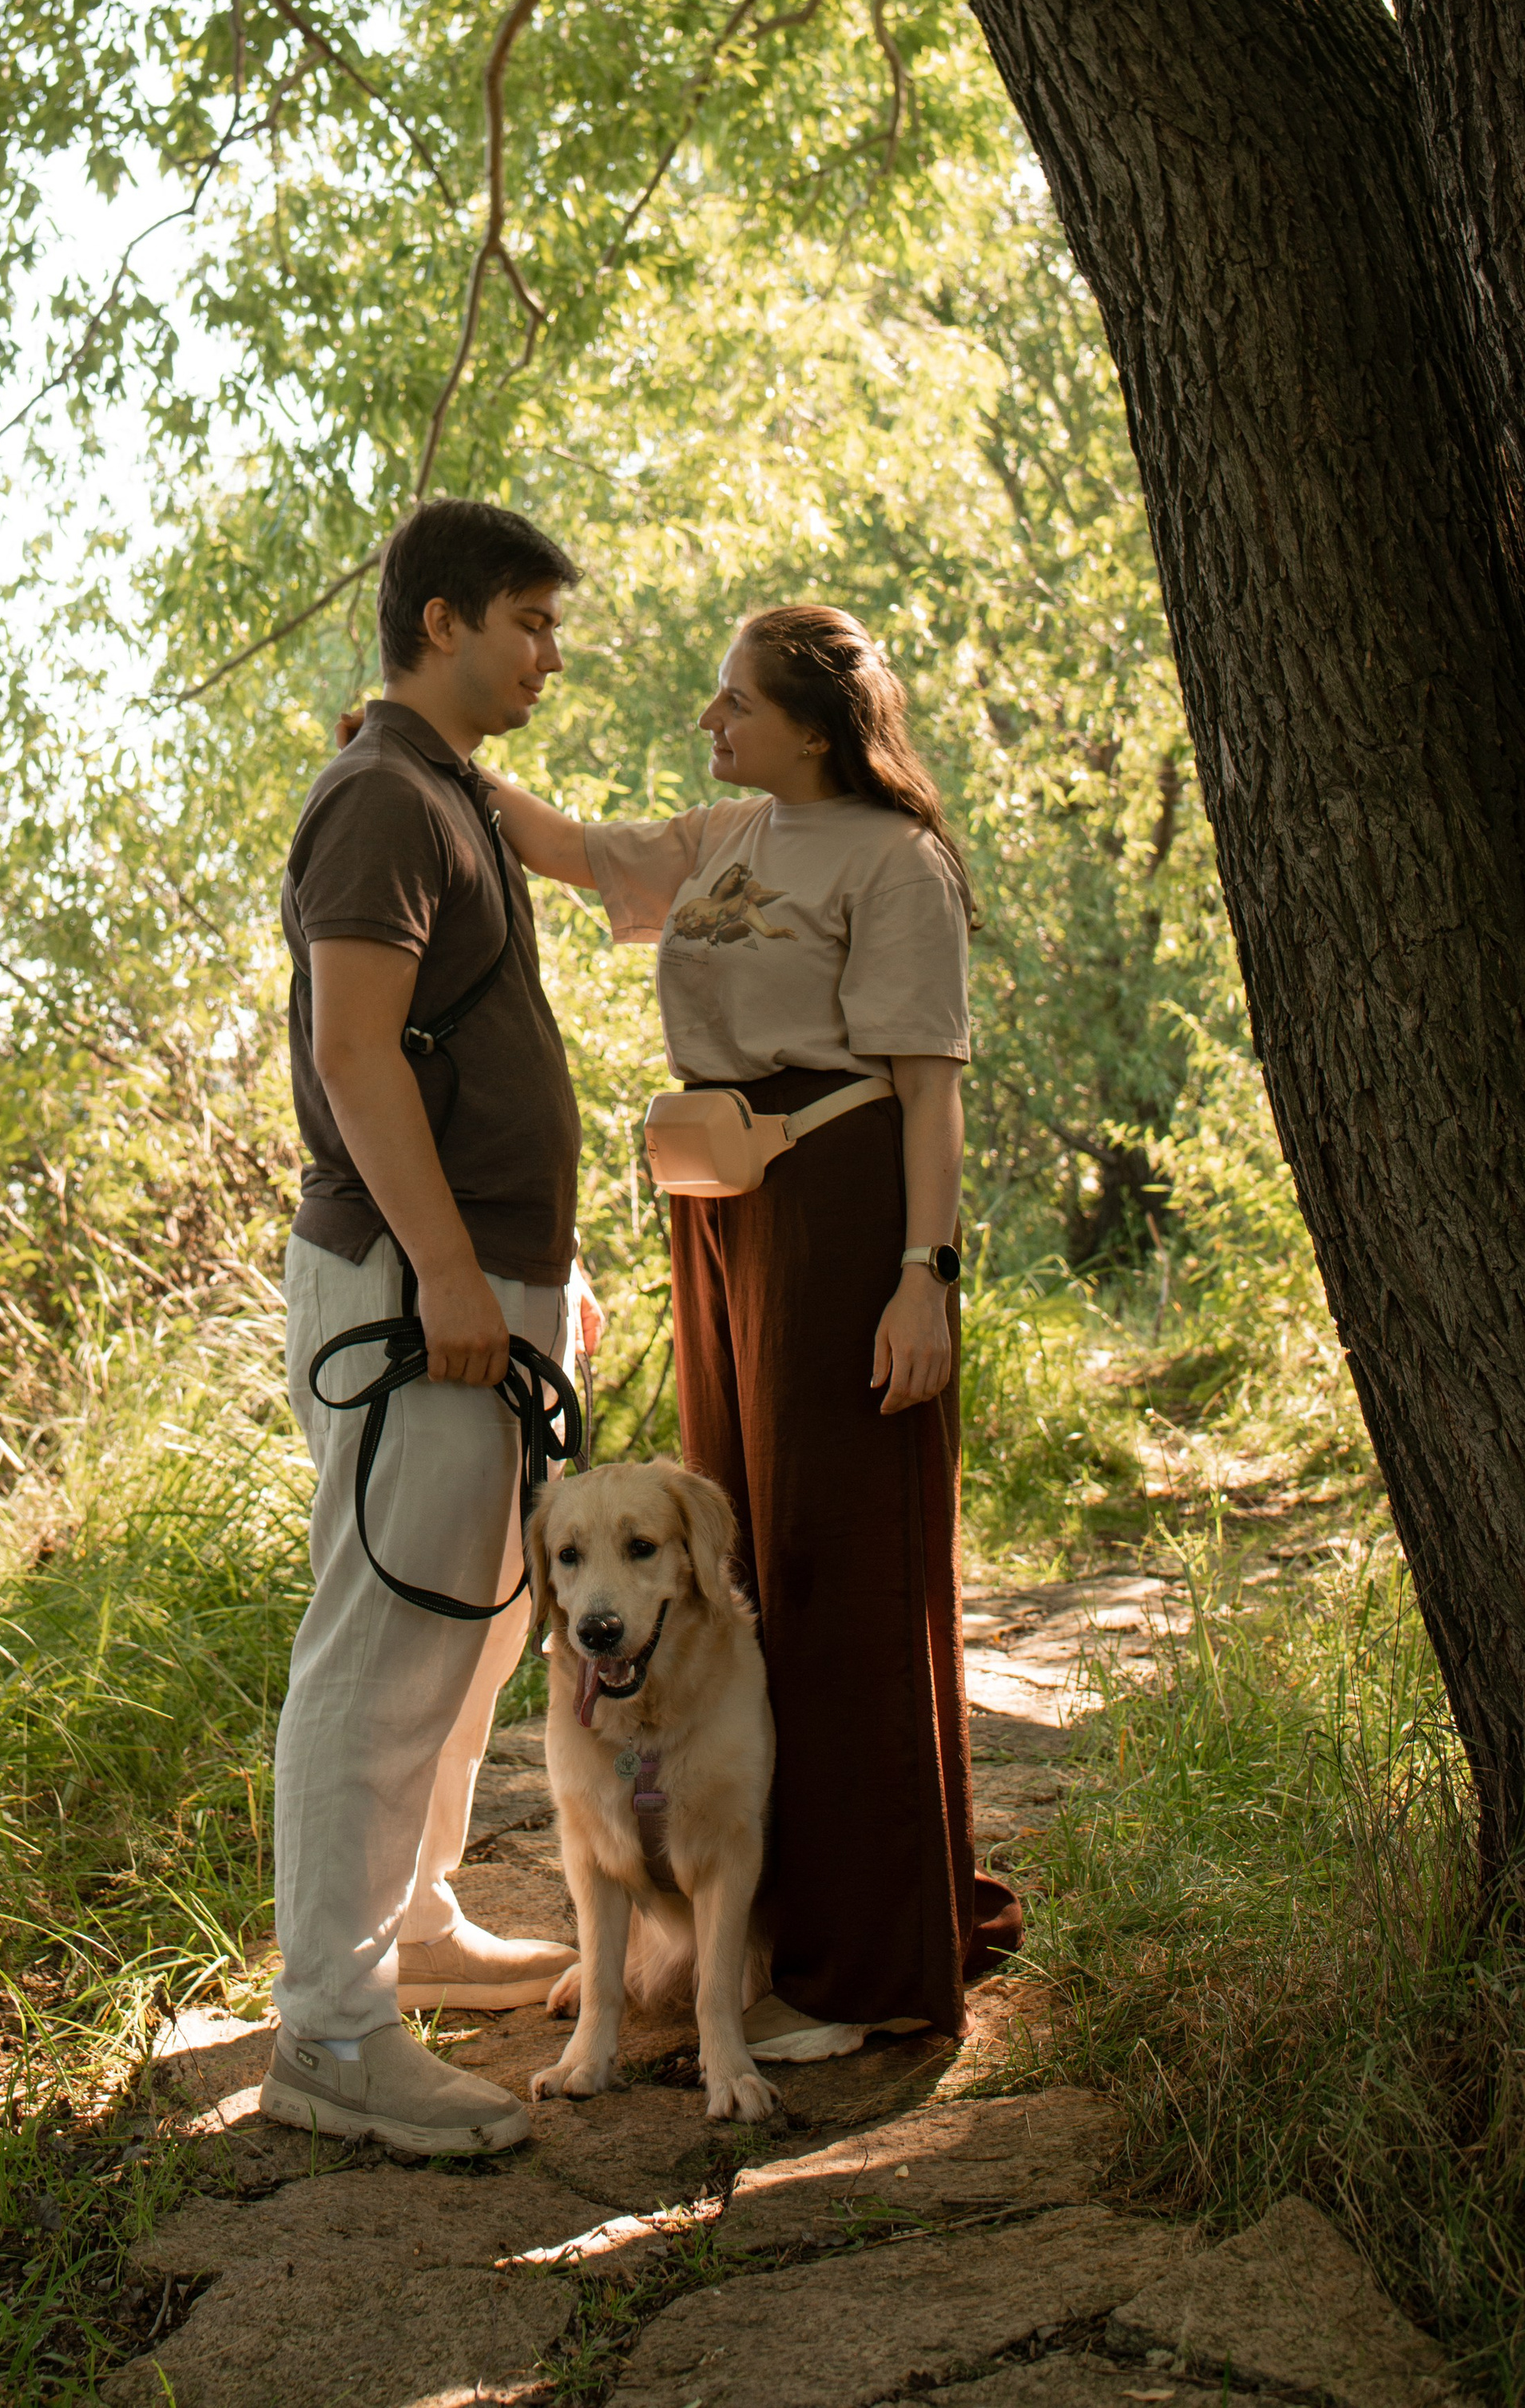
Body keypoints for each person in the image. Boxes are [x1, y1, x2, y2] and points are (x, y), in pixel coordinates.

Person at [486, 603, 1020, 2054]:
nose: (709, 721)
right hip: (721, 1213)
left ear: (815, 727)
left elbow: (929, 1089)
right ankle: (771, 1930)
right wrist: (428, 747)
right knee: (741, 1568)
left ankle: (870, 1968)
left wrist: (924, 1274)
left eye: (735, 702)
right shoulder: (727, 834)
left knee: (844, 1566)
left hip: (843, 1209)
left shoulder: (895, 860)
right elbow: (569, 847)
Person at [259, 496, 594, 2155]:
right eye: (528, 622)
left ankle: (418, 1927)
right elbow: (354, 1052)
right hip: (415, 1291)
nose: (548, 656)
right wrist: (453, 1274)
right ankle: (329, 2029)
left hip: (484, 1282)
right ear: (441, 619)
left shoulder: (445, 788)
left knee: (476, 1632)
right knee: (386, 1647)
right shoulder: (383, 797)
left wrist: (533, 1273)